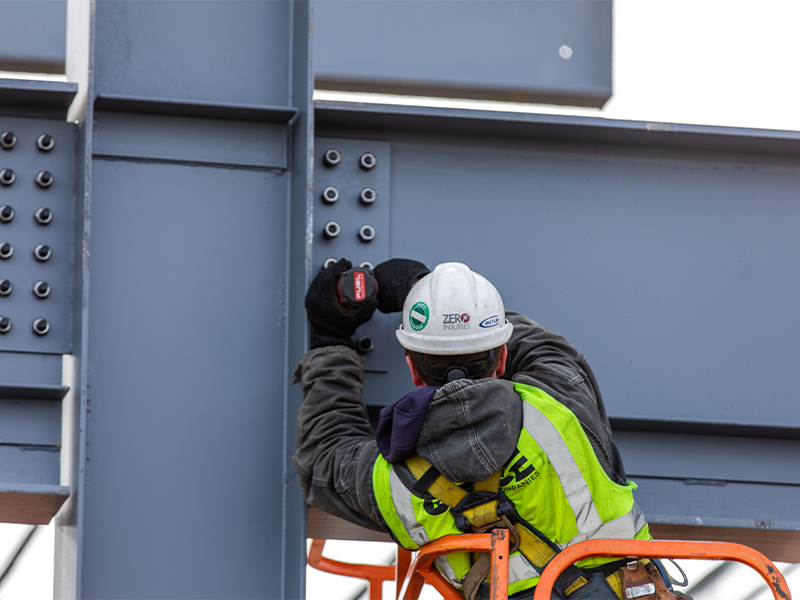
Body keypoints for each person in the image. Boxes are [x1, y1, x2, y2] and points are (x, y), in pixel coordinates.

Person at [294, 259, 685, 600]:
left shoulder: (397, 482)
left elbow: (324, 459)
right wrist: (421, 285)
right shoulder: (562, 405)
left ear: (412, 369)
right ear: (502, 357)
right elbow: (545, 349)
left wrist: (331, 339)